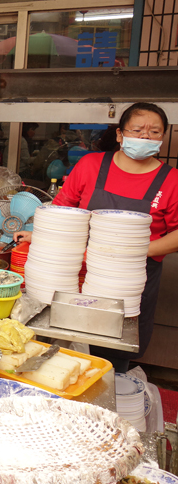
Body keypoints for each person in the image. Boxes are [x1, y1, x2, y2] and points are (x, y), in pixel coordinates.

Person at [14, 103, 178, 372]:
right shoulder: (91, 165)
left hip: (133, 276)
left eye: (154, 131)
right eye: (137, 130)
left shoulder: (171, 181)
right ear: (120, 135)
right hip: (80, 272)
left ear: (162, 137)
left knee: (112, 353)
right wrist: (39, 235)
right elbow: (61, 210)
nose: (145, 137)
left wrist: (138, 250)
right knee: (64, 346)